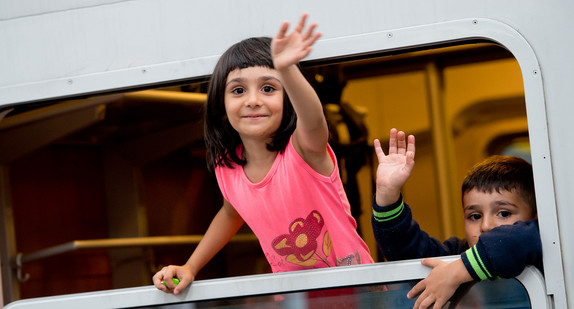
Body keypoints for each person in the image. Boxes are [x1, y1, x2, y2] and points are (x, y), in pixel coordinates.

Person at [153, 14, 373, 295]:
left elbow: (314, 120)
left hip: (359, 290)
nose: (253, 100)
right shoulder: (227, 167)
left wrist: (288, 70)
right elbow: (231, 212)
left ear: (286, 99)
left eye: (268, 88)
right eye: (238, 90)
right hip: (300, 299)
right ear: (221, 103)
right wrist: (190, 267)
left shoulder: (303, 149)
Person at [371, 128, 542, 309]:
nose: (485, 226)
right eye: (474, 216)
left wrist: (459, 271)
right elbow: (405, 248)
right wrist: (387, 196)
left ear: (534, 215)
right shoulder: (456, 256)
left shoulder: (544, 248)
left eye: (504, 214)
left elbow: (523, 239)